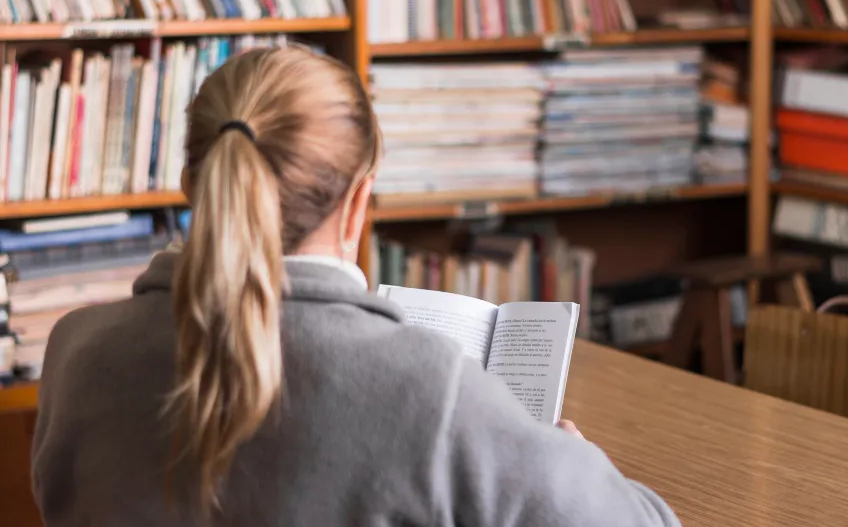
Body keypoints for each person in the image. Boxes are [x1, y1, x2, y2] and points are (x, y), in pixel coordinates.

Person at [31, 46, 682, 527]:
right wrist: (577, 459)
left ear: (193, 185)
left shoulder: (75, 352)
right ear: (359, 198)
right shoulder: (429, 384)